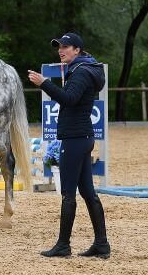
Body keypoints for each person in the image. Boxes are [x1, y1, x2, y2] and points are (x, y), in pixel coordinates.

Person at [28, 33, 111, 259]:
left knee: (68, 194)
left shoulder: (81, 71)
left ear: (77, 50)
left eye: (65, 47)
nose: (60, 50)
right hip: (81, 137)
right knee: (87, 192)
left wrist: (44, 83)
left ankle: (63, 246)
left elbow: (69, 99)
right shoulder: (83, 69)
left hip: (76, 139)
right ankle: (101, 245)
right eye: (59, 47)